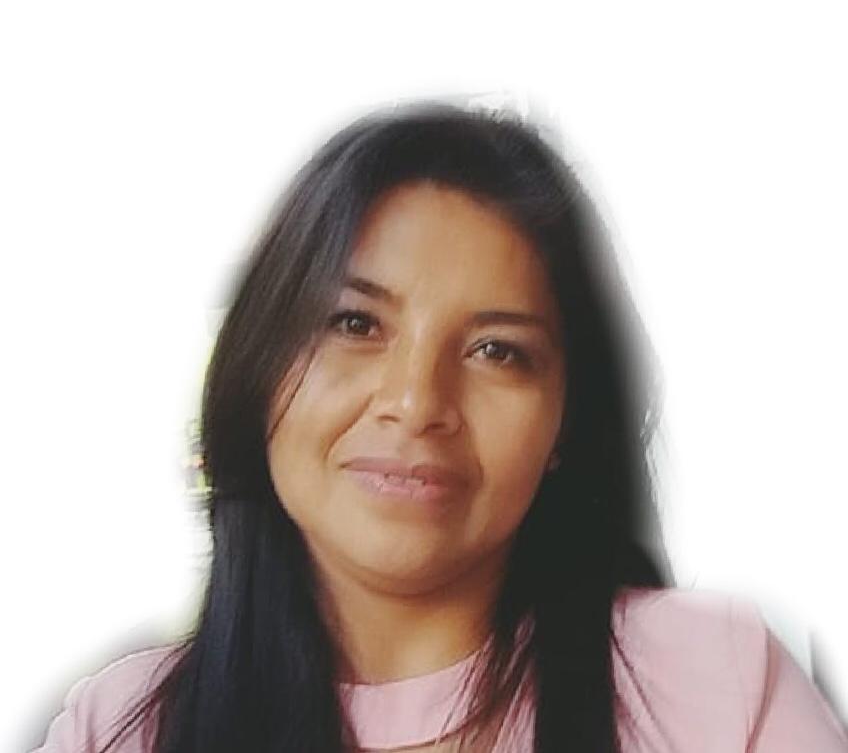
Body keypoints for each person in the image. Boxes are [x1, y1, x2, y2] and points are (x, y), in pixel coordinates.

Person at [33, 102, 848, 752]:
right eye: (354, 324)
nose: (417, 401)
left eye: (498, 350)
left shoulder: (717, 685)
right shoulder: (120, 730)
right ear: (257, 365)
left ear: (565, 420)